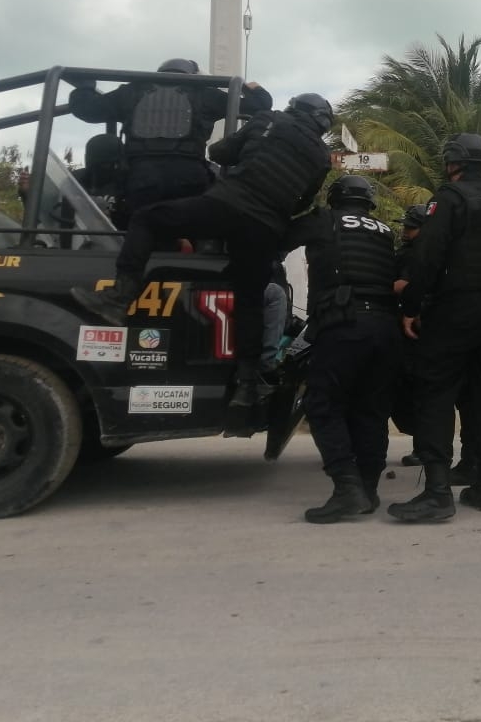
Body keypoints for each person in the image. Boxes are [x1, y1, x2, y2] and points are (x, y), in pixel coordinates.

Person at [69, 93, 333, 435]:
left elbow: (218, 153)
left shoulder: (269, 120)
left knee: (149, 220)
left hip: (226, 205)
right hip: (265, 228)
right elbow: (303, 200)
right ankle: (247, 385)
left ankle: (121, 296)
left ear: (296, 108)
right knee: (250, 302)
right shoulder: (322, 158)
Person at [387, 134, 481, 524]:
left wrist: (411, 307)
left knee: (436, 393)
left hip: (457, 308)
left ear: (452, 162)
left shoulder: (448, 198)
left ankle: (437, 492)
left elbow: (428, 256)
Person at [282, 175, 400, 523]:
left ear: (335, 198)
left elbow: (282, 237)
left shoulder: (324, 220)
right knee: (371, 410)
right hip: (385, 328)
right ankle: (368, 488)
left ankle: (347, 488)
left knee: (321, 404)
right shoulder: (383, 230)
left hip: (344, 325)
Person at [68, 58, 273, 216]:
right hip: (190, 178)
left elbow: (88, 109)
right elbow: (260, 105)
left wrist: (85, 86)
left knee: (140, 224)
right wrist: (251, 87)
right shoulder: (207, 94)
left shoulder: (131, 91)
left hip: (140, 178)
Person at [393, 204, 428, 466]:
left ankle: (424, 447)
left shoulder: (420, 253)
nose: (405, 230)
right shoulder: (412, 250)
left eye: (411, 226)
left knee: (417, 390)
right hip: (409, 326)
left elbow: (404, 285)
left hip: (416, 328)